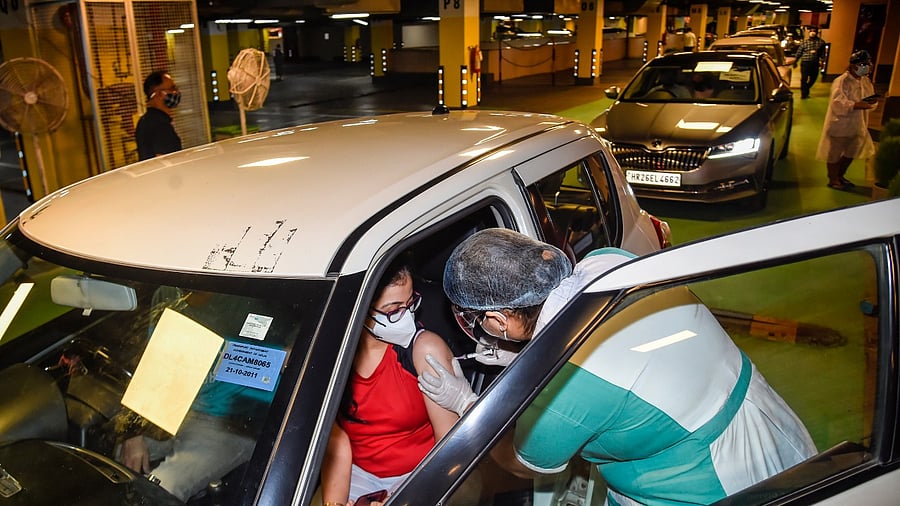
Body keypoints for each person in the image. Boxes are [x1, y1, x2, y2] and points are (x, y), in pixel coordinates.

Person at [419, 228, 817, 505]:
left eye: (476, 319)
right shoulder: (609, 262)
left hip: (706, 483)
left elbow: (522, 464)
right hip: (761, 415)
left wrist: (468, 405)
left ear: (498, 320)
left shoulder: (562, 389)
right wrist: (525, 357)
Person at [117, 289, 279, 502]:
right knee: (118, 462)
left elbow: (291, 353)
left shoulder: (255, 301)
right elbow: (155, 365)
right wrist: (133, 432)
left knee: (162, 488)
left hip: (233, 422)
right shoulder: (169, 293)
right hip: (178, 407)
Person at [320, 259, 459, 505]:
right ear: (360, 309)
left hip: (421, 468)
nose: (407, 317)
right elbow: (337, 442)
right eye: (394, 310)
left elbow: (450, 445)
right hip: (357, 471)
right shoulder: (330, 356)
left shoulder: (424, 350)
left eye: (410, 303)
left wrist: (407, 498)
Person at [816, 49, 878, 191]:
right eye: (863, 64)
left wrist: (872, 103)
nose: (867, 67)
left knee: (852, 152)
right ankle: (833, 179)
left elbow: (871, 99)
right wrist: (855, 105)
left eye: (868, 64)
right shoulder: (842, 81)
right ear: (853, 65)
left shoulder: (865, 81)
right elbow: (837, 102)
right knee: (835, 153)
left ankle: (840, 175)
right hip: (840, 124)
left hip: (858, 124)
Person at [135, 71, 182, 161]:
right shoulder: (159, 124)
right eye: (172, 88)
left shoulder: (146, 120)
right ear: (159, 93)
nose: (176, 92)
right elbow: (165, 161)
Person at [793, 27, 827, 99]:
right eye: (811, 31)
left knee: (813, 78)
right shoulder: (804, 42)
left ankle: (806, 88)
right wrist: (795, 61)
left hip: (815, 63)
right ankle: (803, 94)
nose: (812, 33)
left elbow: (823, 53)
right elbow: (799, 52)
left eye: (814, 31)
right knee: (804, 78)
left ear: (817, 33)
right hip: (805, 62)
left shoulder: (821, 42)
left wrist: (822, 61)